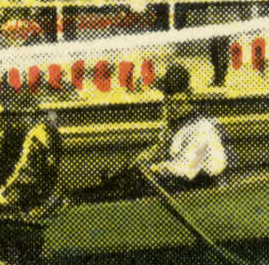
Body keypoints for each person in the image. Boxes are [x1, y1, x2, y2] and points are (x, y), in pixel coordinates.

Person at [87, 62, 225, 196]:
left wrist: (154, 168)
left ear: (189, 98)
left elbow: (186, 169)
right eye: (169, 103)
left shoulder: (201, 128)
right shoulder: (172, 125)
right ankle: (93, 194)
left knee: (134, 188)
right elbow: (161, 149)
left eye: (178, 103)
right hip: (178, 179)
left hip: (201, 186)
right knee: (125, 180)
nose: (173, 108)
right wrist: (143, 159)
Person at [0, 82, 62, 224]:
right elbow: (14, 165)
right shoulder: (15, 133)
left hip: (34, 187)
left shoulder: (38, 133)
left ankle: (30, 209)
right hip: (28, 186)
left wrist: (3, 192)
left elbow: (25, 165)